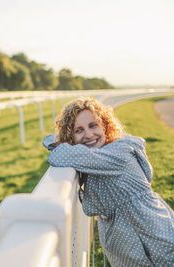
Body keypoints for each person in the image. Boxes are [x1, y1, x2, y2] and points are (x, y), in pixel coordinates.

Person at [42, 97, 174, 266]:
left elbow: (59, 154)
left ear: (104, 125)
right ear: (71, 136)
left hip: (154, 233)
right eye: (79, 130)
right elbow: (50, 140)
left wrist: (67, 142)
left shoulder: (116, 153)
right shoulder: (97, 154)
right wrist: (65, 140)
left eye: (93, 125)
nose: (89, 135)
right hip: (125, 239)